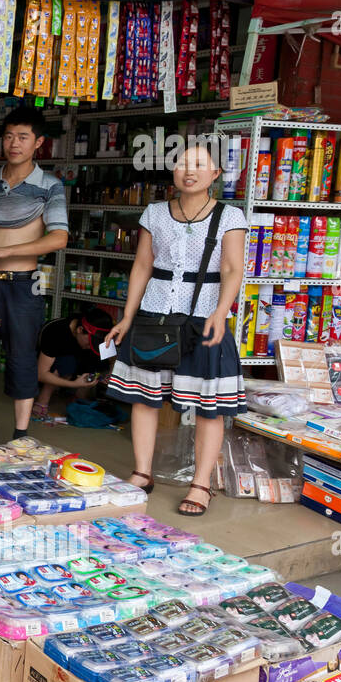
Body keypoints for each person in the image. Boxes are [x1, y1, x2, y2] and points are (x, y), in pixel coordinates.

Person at [104, 142, 247, 517]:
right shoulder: (154, 213)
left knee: (209, 407)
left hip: (205, 316)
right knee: (144, 396)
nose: (189, 169)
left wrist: (222, 311)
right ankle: (142, 472)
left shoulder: (230, 217)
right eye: (183, 162)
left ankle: (200, 485)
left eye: (200, 164)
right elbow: (142, 266)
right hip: (155, 313)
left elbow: (233, 269)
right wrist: (127, 316)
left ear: (215, 175)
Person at [0, 105, 69, 439]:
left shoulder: (50, 186)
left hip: (24, 284)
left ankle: (20, 435)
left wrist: (7, 251)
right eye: (8, 136)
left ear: (39, 143)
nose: (14, 143)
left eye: (23, 137)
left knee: (21, 357)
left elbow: (59, 238)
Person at [33, 307, 115, 420]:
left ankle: (78, 398)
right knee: (66, 363)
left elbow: (111, 359)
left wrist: (109, 374)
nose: (91, 346)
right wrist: (75, 384)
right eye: (90, 342)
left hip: (77, 359)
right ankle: (43, 400)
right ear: (80, 330)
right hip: (46, 364)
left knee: (96, 358)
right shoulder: (56, 332)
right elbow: (41, 374)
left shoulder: (97, 332)